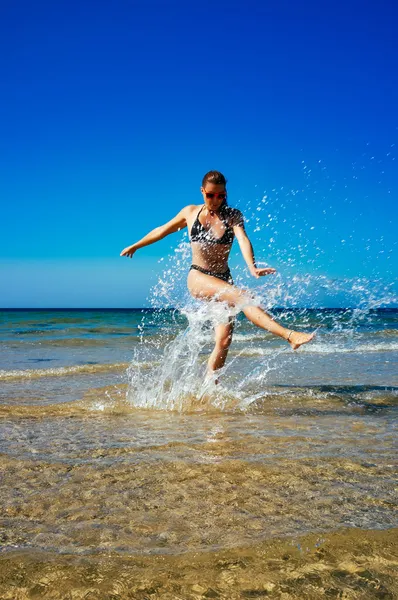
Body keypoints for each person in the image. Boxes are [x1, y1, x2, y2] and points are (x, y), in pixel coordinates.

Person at [120, 171, 314, 380]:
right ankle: (289, 335)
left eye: (221, 195)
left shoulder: (233, 216)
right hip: (198, 277)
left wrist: (252, 267)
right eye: (210, 195)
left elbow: (243, 240)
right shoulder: (190, 212)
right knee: (244, 297)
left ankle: (209, 389)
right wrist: (136, 245)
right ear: (203, 192)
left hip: (223, 280)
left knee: (223, 341)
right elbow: (162, 229)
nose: (215, 200)